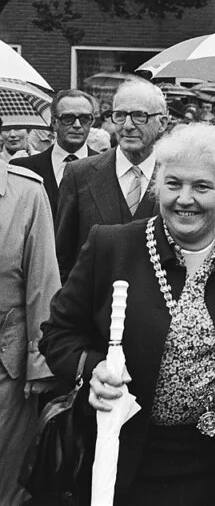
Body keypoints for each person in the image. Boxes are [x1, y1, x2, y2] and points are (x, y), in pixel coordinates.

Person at [40, 123, 215, 505]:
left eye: (201, 187)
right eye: (173, 184)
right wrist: (95, 369)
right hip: (127, 456)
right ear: (158, 186)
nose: (184, 199)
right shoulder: (112, 245)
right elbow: (57, 334)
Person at [55, 79, 167, 283]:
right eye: (120, 115)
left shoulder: (175, 177)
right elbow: (63, 257)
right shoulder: (79, 174)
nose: (128, 125)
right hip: (94, 308)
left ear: (163, 124)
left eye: (139, 116)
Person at [0, 160, 61, 505]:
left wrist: (41, 360)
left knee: (6, 475)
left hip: (6, 360)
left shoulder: (27, 191)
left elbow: (43, 280)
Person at [12, 89, 99, 213]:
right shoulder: (24, 168)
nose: (77, 125)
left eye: (85, 118)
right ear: (53, 122)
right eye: (68, 118)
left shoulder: (108, 167)